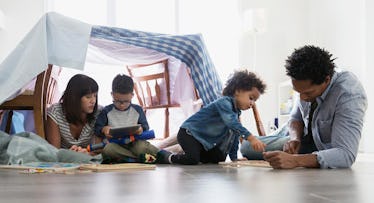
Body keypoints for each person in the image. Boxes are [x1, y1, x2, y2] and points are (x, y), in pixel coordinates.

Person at [242, 45, 367, 169]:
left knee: (251, 147)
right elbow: (295, 118)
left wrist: (296, 161)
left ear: (326, 80)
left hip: (319, 148)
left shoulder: (350, 94)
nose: (302, 98)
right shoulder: (305, 86)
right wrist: (295, 139)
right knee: (247, 146)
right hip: (300, 136)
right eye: (298, 92)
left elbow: (345, 155)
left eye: (308, 93)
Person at [159, 70, 267, 165]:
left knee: (218, 158)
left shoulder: (236, 113)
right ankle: (167, 156)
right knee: (192, 159)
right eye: (251, 98)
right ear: (238, 91)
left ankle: (189, 152)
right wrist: (251, 138)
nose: (252, 103)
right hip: (189, 134)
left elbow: (233, 137)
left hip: (203, 141)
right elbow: (232, 124)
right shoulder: (224, 103)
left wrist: (234, 158)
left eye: (254, 101)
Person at [94, 74, 162, 163]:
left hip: (135, 142)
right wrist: (104, 129)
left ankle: (162, 155)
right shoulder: (107, 111)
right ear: (112, 94)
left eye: (126, 101)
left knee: (141, 147)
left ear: (132, 95)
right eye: (117, 101)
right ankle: (139, 159)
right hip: (116, 144)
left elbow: (145, 127)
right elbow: (97, 129)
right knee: (108, 150)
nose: (122, 105)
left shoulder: (137, 109)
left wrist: (141, 129)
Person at [46, 74, 100, 154]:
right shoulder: (56, 112)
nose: (93, 101)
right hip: (63, 159)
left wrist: (87, 153)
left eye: (95, 96)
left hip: (88, 158)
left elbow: (99, 150)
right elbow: (54, 152)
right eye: (88, 97)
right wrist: (69, 154)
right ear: (74, 97)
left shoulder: (98, 113)